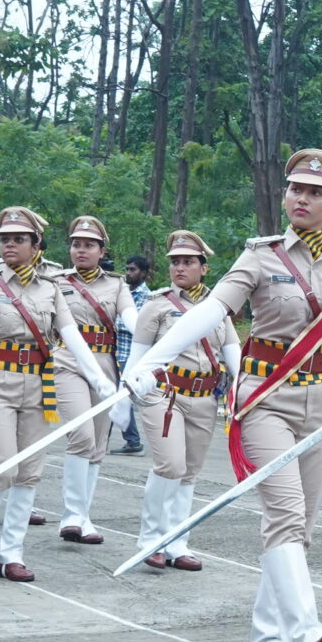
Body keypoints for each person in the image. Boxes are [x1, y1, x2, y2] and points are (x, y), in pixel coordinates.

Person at [123, 149, 322, 642]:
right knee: (285, 513)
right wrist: (153, 360)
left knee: (301, 527)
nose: (303, 199)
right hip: (266, 399)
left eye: (316, 193)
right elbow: (211, 311)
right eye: (296, 189)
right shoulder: (260, 256)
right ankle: (305, 632)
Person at [0, 207, 118, 581]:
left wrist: (99, 379)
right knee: (1, 468)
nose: (10, 245)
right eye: (4, 239)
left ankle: (11, 553)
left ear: (36, 245)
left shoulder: (51, 288)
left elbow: (71, 336)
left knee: (29, 473)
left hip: (38, 385)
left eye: (19, 239)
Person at [130, 230, 239, 571]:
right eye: (175, 262)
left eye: (188, 261)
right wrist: (129, 391)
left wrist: (244, 391)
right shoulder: (157, 305)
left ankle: (177, 542)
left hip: (205, 397)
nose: (179, 267)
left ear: (204, 268)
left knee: (189, 472)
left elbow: (232, 352)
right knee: (170, 465)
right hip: (164, 395)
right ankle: (150, 541)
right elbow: (137, 359)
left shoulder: (218, 308)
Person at [51, 215, 135, 542]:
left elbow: (132, 319)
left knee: (98, 443)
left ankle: (83, 517)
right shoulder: (55, 282)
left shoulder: (117, 285)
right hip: (67, 361)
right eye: (76, 244)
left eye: (89, 245)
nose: (81, 250)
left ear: (102, 251)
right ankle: (71, 515)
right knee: (82, 434)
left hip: (104, 363)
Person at [113, 253, 154, 453]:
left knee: (122, 396)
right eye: (127, 269)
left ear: (143, 273)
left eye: (133, 270)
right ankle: (125, 439)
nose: (128, 273)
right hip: (115, 352)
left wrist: (117, 321)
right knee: (113, 397)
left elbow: (140, 328)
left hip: (131, 355)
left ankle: (133, 441)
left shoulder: (147, 298)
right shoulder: (123, 293)